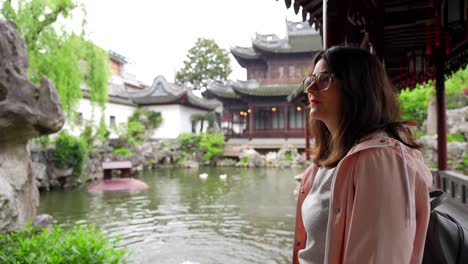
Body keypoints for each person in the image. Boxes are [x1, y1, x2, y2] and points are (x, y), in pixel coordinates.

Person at [292, 46, 432, 264]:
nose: (310, 88)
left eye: (324, 79)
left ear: (356, 87)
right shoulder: (328, 161)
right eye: (310, 79)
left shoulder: (379, 160)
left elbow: (380, 257)